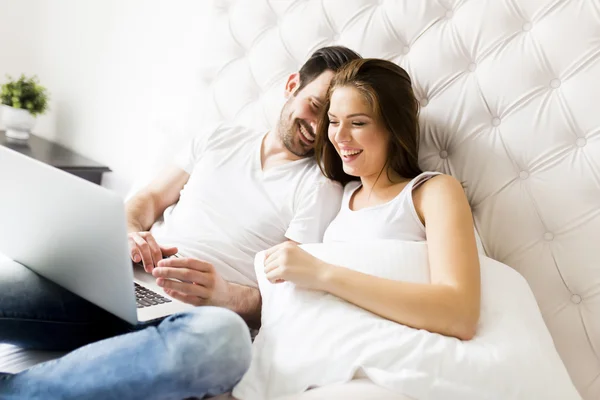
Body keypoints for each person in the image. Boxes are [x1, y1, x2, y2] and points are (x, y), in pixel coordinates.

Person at [0, 46, 362, 400]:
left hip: (190, 319)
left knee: (224, 339)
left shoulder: (320, 186)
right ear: (292, 85)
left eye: (328, 119)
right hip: (120, 286)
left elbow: (288, 299)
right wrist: (129, 234)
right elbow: (149, 199)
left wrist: (224, 295)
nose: (315, 127)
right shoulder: (221, 137)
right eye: (314, 106)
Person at [233, 58, 481, 398]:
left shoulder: (432, 192)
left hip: (396, 365)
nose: (339, 136)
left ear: (394, 127)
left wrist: (322, 274)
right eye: (333, 121)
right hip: (327, 361)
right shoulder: (339, 195)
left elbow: (460, 313)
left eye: (359, 123)